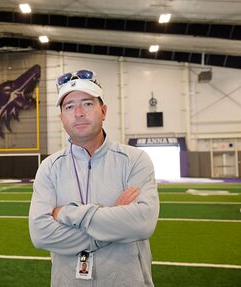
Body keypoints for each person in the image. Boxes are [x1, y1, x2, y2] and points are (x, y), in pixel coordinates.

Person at [29, 69, 159, 286]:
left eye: (87, 104)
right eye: (69, 107)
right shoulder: (49, 168)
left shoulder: (135, 160)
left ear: (103, 111)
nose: (78, 112)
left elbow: (142, 224)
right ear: (62, 117)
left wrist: (66, 213)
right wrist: (114, 219)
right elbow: (41, 234)